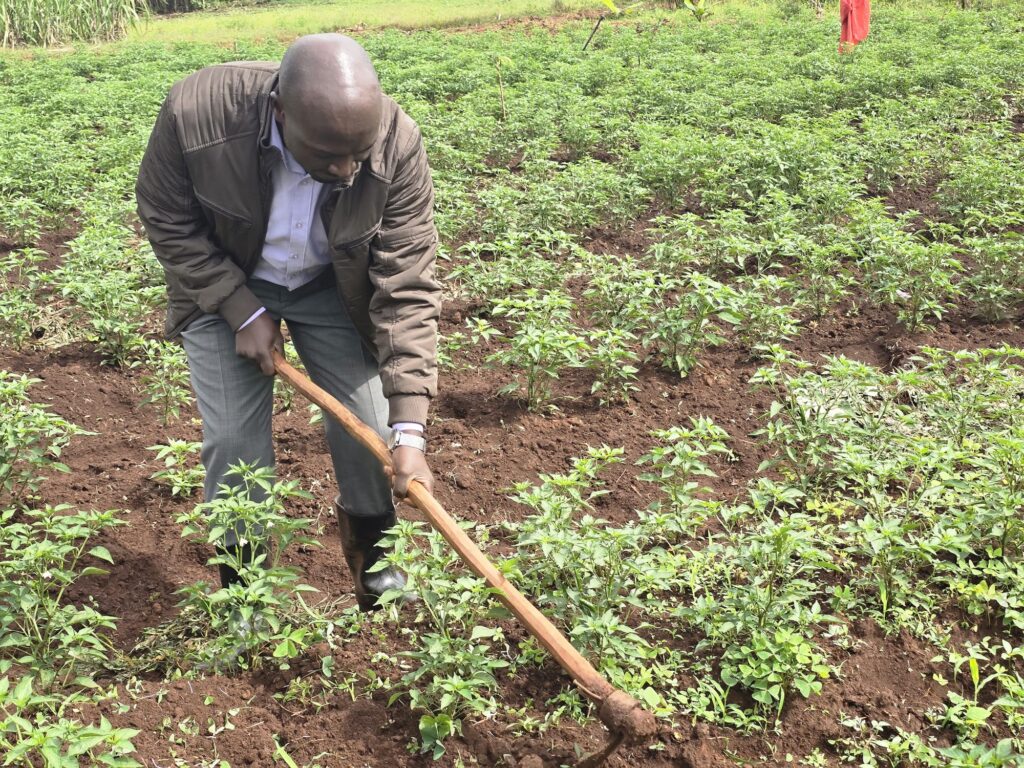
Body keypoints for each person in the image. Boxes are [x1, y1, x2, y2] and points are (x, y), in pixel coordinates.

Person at [135, 34, 440, 610]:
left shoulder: (395, 144)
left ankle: (377, 575)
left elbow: (406, 286)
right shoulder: (197, 114)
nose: (346, 170)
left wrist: (410, 431)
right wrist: (239, 307)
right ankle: (246, 596)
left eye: (358, 153)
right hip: (225, 277)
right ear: (280, 112)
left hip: (332, 286)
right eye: (327, 155)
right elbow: (167, 217)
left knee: (372, 427)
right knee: (234, 443)